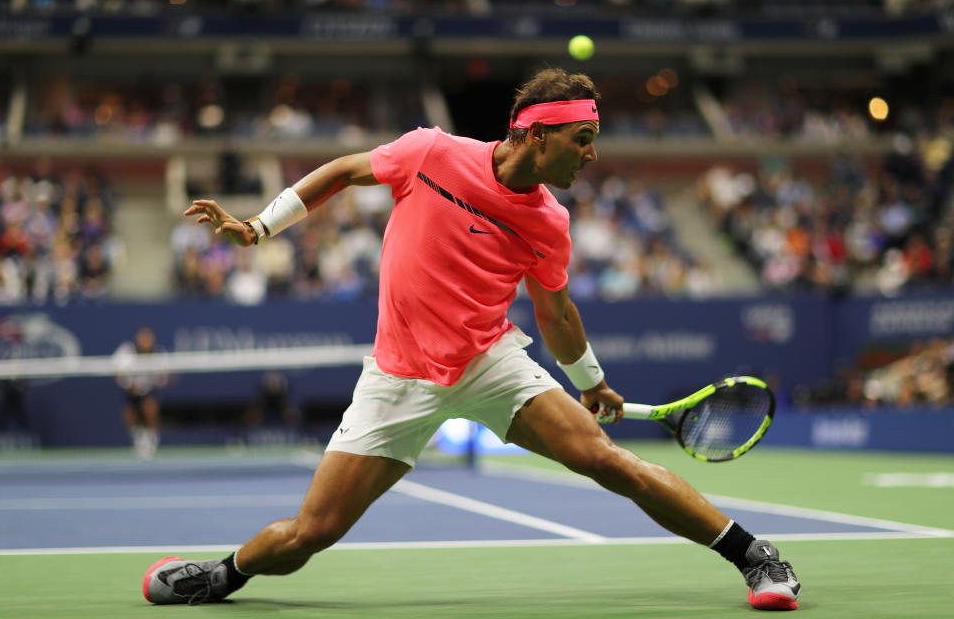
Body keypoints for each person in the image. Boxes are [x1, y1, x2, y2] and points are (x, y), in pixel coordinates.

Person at [143, 69, 801, 611]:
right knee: (310, 534)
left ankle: (754, 557)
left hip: (489, 362)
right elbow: (345, 170)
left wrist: (591, 382)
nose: (592, 154)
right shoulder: (431, 153)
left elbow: (556, 311)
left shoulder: (549, 221)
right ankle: (222, 575)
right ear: (536, 135)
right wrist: (259, 227)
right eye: (582, 138)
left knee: (609, 462)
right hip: (399, 377)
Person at [115, 326, 168, 459]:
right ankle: (137, 438)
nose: (145, 342)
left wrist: (153, 382)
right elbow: (117, 372)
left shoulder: (158, 353)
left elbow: (165, 376)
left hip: (149, 391)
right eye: (142, 338)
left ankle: (151, 439)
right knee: (129, 413)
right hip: (130, 391)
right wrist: (130, 385)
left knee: (150, 407)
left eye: (148, 339)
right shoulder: (127, 351)